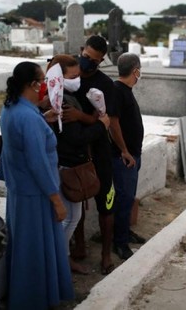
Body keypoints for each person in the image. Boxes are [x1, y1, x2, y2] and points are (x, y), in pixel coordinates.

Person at [0, 61, 74, 309]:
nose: (43, 86)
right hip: (36, 194)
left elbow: (16, 145)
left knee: (24, 245)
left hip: (20, 190)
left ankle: (26, 296)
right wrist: (55, 199)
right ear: (32, 84)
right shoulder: (27, 117)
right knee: (34, 249)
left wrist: (43, 119)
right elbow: (37, 162)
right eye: (41, 81)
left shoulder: (12, 109)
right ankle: (34, 299)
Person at [46, 54, 111, 274]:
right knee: (70, 218)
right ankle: (60, 259)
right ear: (60, 77)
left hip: (69, 162)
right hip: (68, 164)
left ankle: (62, 258)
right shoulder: (62, 102)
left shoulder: (67, 96)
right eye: (72, 76)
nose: (77, 80)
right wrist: (101, 125)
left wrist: (91, 116)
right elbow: (76, 138)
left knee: (73, 216)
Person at [61, 35, 117, 273]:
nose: (86, 64)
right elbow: (61, 108)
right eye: (85, 57)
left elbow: (105, 119)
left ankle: (106, 254)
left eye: (93, 61)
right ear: (82, 50)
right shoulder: (69, 74)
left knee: (106, 202)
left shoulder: (105, 84)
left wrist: (82, 117)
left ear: (101, 61)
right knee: (77, 197)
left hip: (100, 149)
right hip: (76, 151)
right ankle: (80, 246)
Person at [110, 53, 146, 260]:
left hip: (133, 154)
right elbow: (113, 123)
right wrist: (124, 150)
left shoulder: (126, 90)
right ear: (135, 71)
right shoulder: (117, 91)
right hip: (124, 156)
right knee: (124, 198)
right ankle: (120, 242)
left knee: (128, 196)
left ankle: (125, 232)